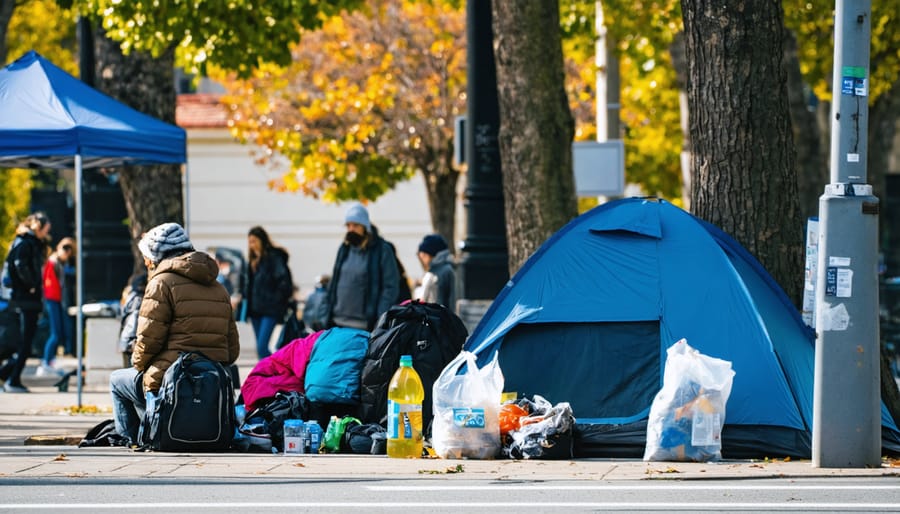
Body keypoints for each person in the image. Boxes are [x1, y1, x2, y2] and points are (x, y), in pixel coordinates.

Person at [109, 222, 239, 444]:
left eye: (147, 258)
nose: (147, 263)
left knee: (117, 380)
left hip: (169, 378)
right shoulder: (218, 287)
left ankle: (134, 439)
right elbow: (232, 351)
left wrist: (140, 366)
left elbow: (149, 341)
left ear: (157, 256)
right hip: (212, 380)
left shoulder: (161, 283)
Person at [326, 203, 399, 331]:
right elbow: (334, 282)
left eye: (355, 225)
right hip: (337, 322)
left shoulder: (382, 250)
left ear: (365, 227)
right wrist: (326, 313)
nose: (351, 229)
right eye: (348, 225)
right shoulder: (344, 249)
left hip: (365, 325)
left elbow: (390, 286)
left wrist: (380, 317)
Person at [0, 212, 51, 393]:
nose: (47, 232)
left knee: (25, 342)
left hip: (26, 299)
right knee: (25, 342)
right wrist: (30, 285)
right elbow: (20, 265)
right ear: (39, 226)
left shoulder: (29, 242)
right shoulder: (25, 243)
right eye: (46, 228)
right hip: (25, 299)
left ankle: (9, 377)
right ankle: (11, 379)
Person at [245, 226, 293, 359]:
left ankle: (276, 372)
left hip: (270, 309)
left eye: (254, 241)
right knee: (260, 349)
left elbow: (284, 282)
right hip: (255, 311)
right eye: (249, 242)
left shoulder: (274, 257)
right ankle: (265, 378)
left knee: (262, 347)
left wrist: (276, 301)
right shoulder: (253, 261)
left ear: (262, 240)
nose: (251, 245)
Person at [37, 237, 75, 376]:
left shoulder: (58, 263)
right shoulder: (53, 262)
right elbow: (49, 284)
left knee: (57, 333)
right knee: (55, 334)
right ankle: (46, 362)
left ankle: (49, 360)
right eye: (65, 249)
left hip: (55, 300)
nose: (66, 253)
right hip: (52, 300)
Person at [416, 233, 457, 309]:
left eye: (424, 255)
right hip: (431, 317)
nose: (422, 259)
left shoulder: (446, 271)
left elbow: (452, 300)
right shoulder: (431, 271)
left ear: (431, 254)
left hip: (439, 317)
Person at [117, 270, 147, 368]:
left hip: (126, 342)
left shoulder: (130, 298)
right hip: (130, 344)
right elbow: (133, 322)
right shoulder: (138, 300)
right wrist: (131, 343)